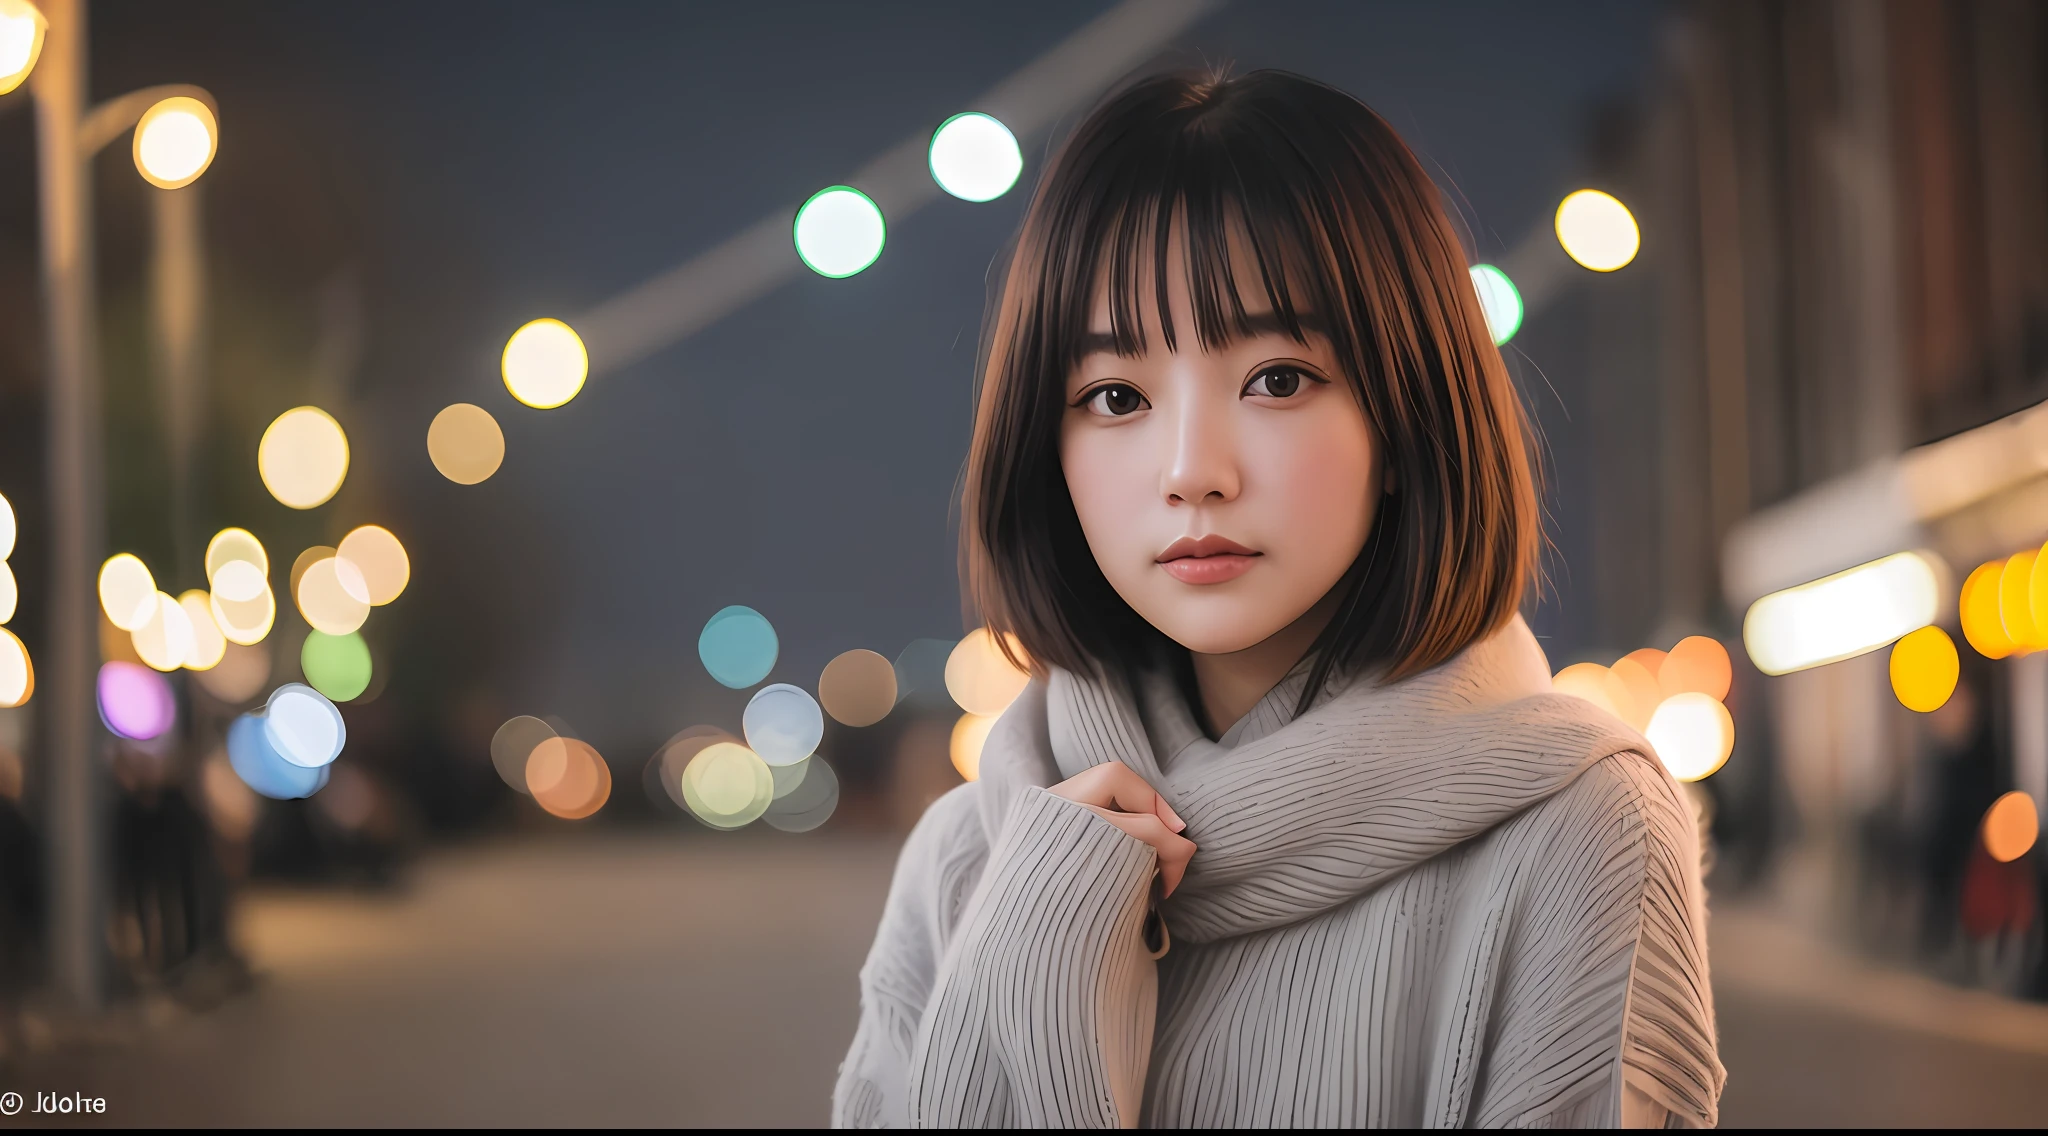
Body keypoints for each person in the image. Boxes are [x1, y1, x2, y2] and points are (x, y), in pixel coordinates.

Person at [833, 69, 1722, 1129]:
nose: (1190, 470)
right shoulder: (970, 854)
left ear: (1403, 415)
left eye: (1276, 378)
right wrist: (1033, 938)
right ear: (1046, 448)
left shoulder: (1578, 831)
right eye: (1114, 395)